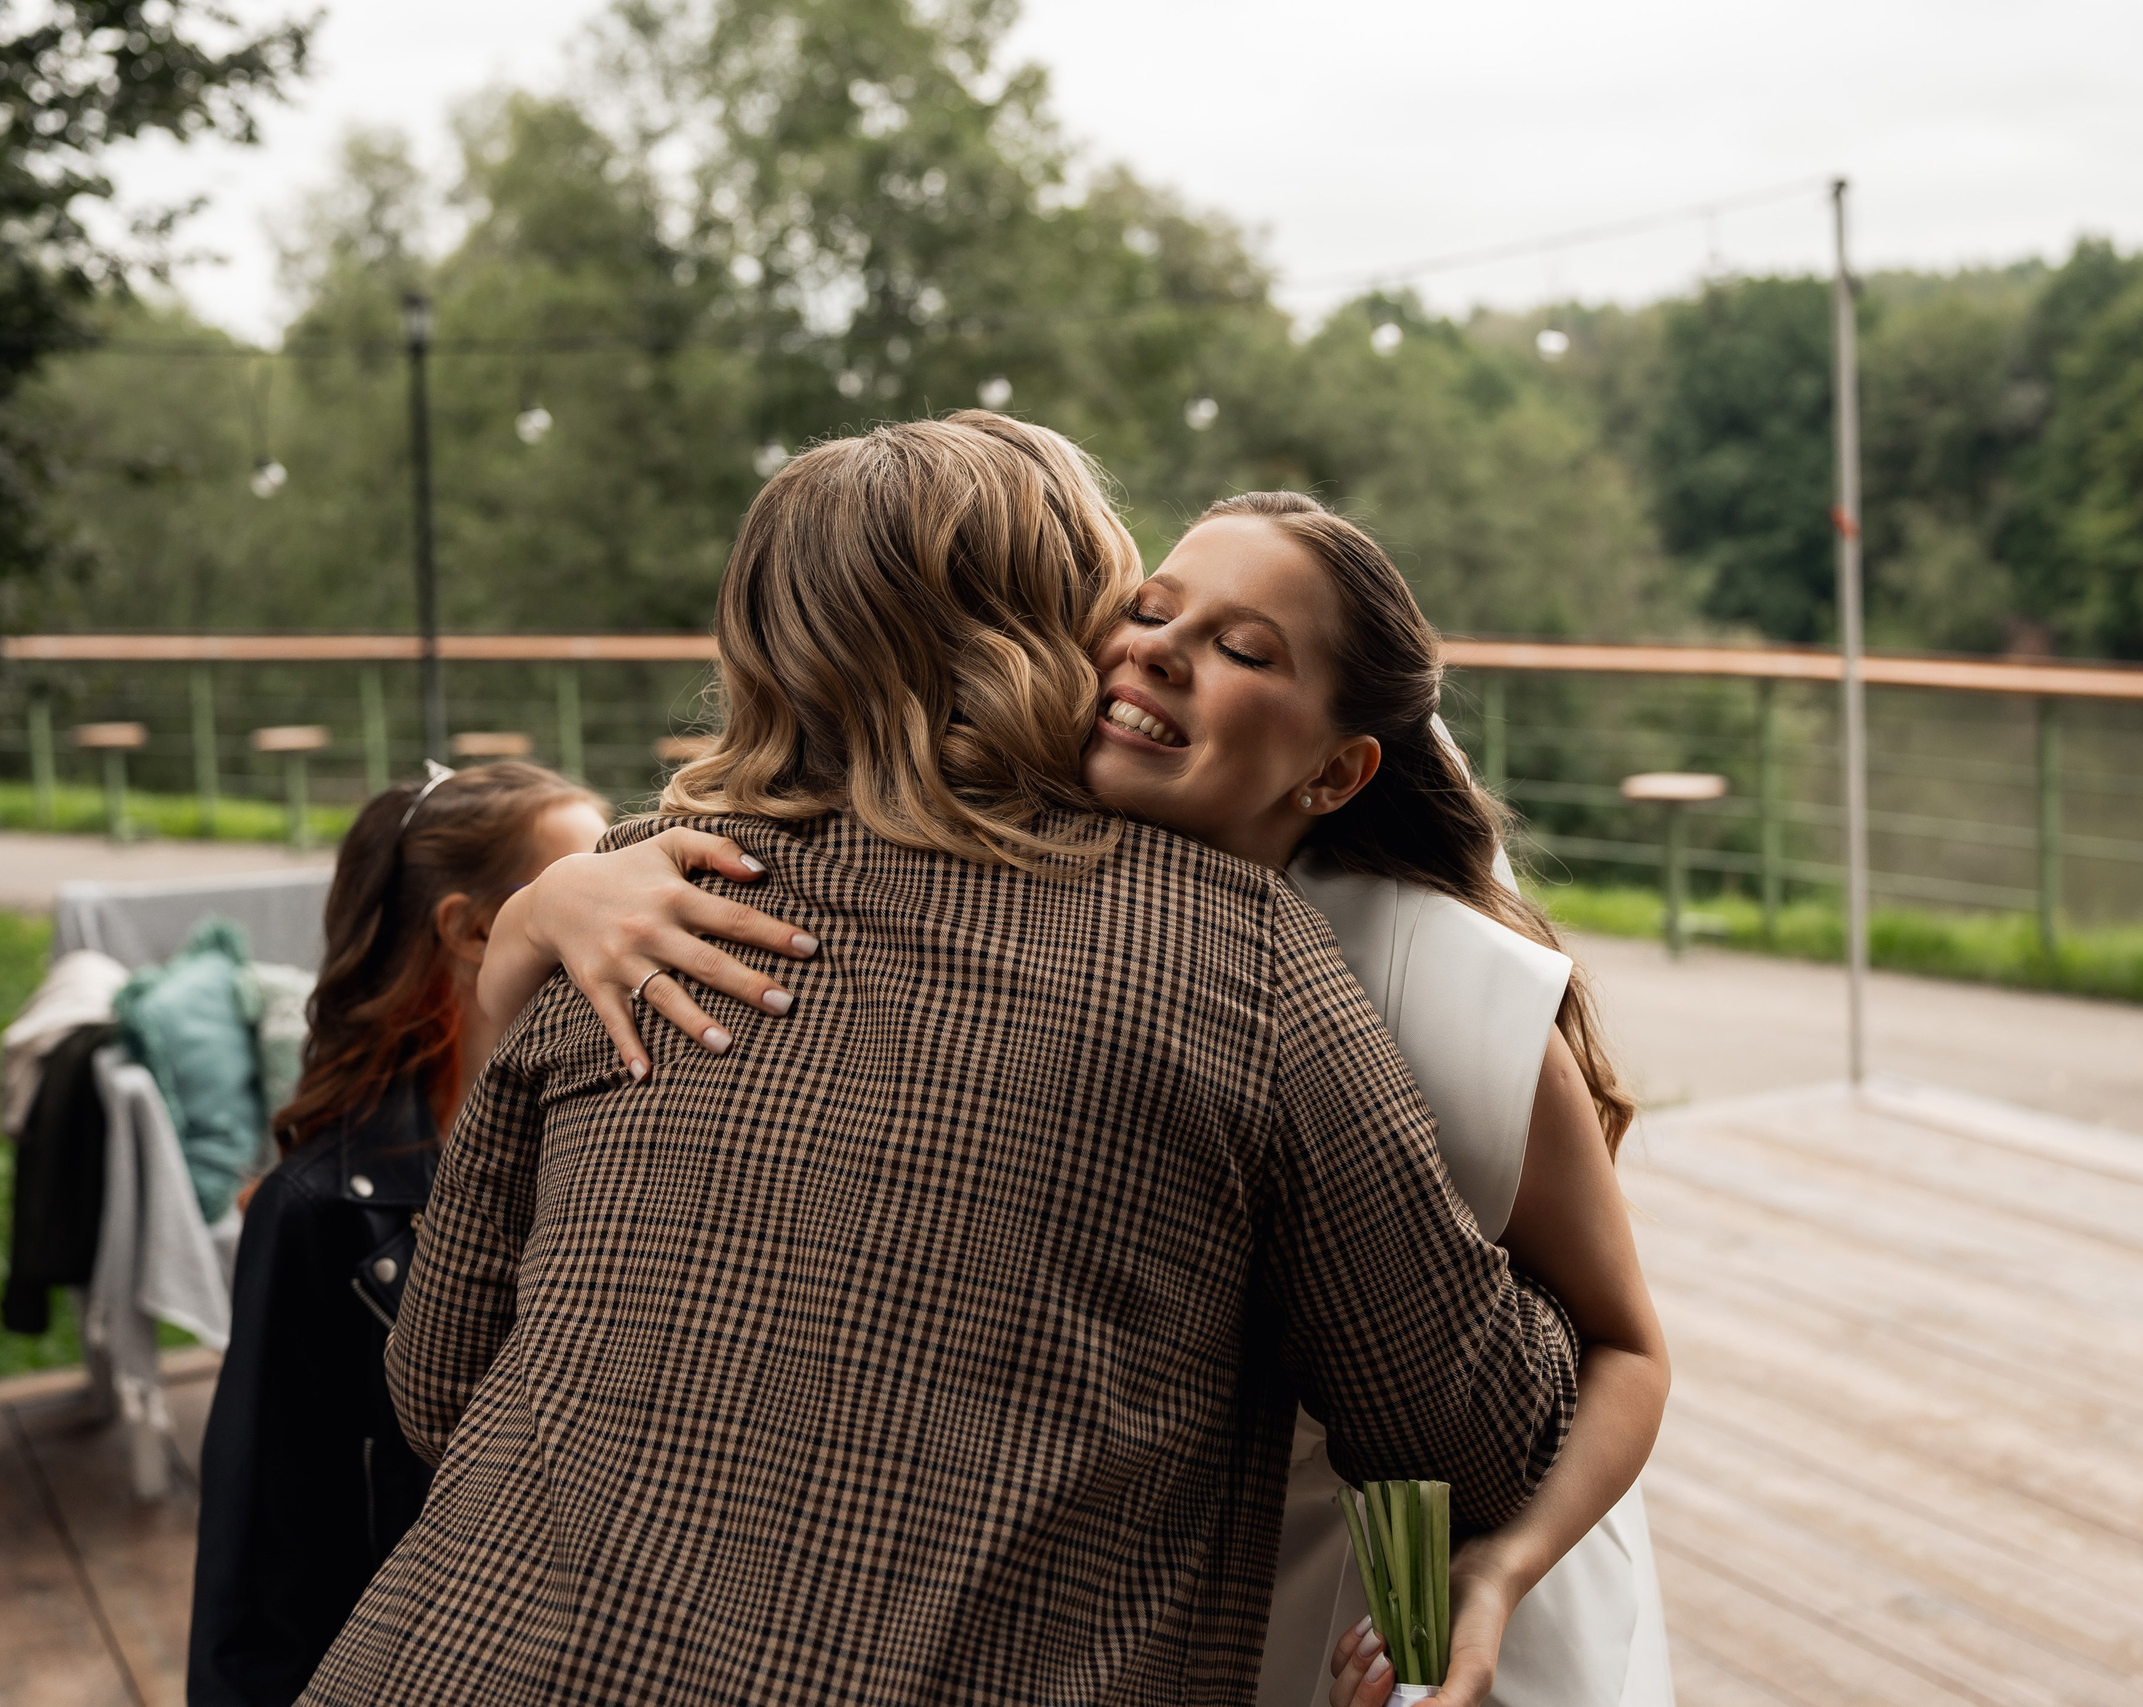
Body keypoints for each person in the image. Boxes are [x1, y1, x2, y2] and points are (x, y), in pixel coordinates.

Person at [301, 413, 1583, 1707]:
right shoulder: (1239, 950)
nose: (1138, 649)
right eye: (1127, 598)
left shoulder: (642, 895)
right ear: (1047, 627)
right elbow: (1471, 1427)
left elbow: (439, 1380)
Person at [188, 760, 607, 1707]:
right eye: (580, 884)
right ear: (468, 929)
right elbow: (254, 1572)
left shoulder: (610, 1151)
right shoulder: (318, 1210)